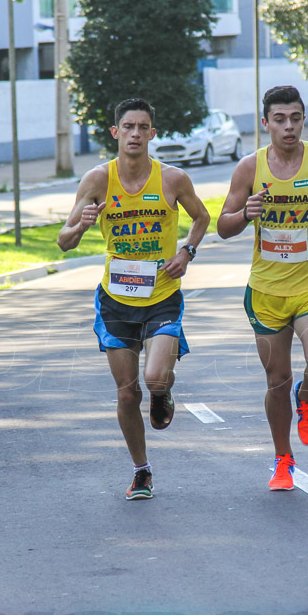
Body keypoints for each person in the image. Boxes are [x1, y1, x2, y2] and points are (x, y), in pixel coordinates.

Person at [58, 98, 210, 501]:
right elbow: (64, 241)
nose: (136, 134)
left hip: (161, 295)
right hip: (115, 301)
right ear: (116, 133)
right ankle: (141, 470)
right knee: (127, 393)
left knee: (154, 378)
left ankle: (164, 392)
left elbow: (201, 217)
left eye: (144, 127)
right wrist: (82, 226)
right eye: (128, 127)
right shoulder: (96, 180)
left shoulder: (172, 180)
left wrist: (186, 253)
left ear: (152, 134)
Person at [216, 85, 308, 491]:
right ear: (265, 124)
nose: (288, 127)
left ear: (303, 120)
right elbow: (222, 227)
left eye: (295, 118)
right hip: (265, 292)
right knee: (275, 379)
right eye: (279, 119)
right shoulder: (249, 168)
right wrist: (244, 214)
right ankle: (283, 459)